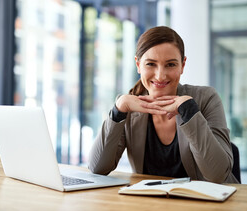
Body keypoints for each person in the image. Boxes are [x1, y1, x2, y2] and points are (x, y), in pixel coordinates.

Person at [88, 26, 239, 184]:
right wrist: (118, 110)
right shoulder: (129, 107)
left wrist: (189, 111)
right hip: (151, 204)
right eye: (151, 64)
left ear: (183, 65)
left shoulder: (206, 98)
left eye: (171, 64)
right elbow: (97, 167)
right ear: (138, 65)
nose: (160, 76)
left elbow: (217, 174)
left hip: (205, 204)